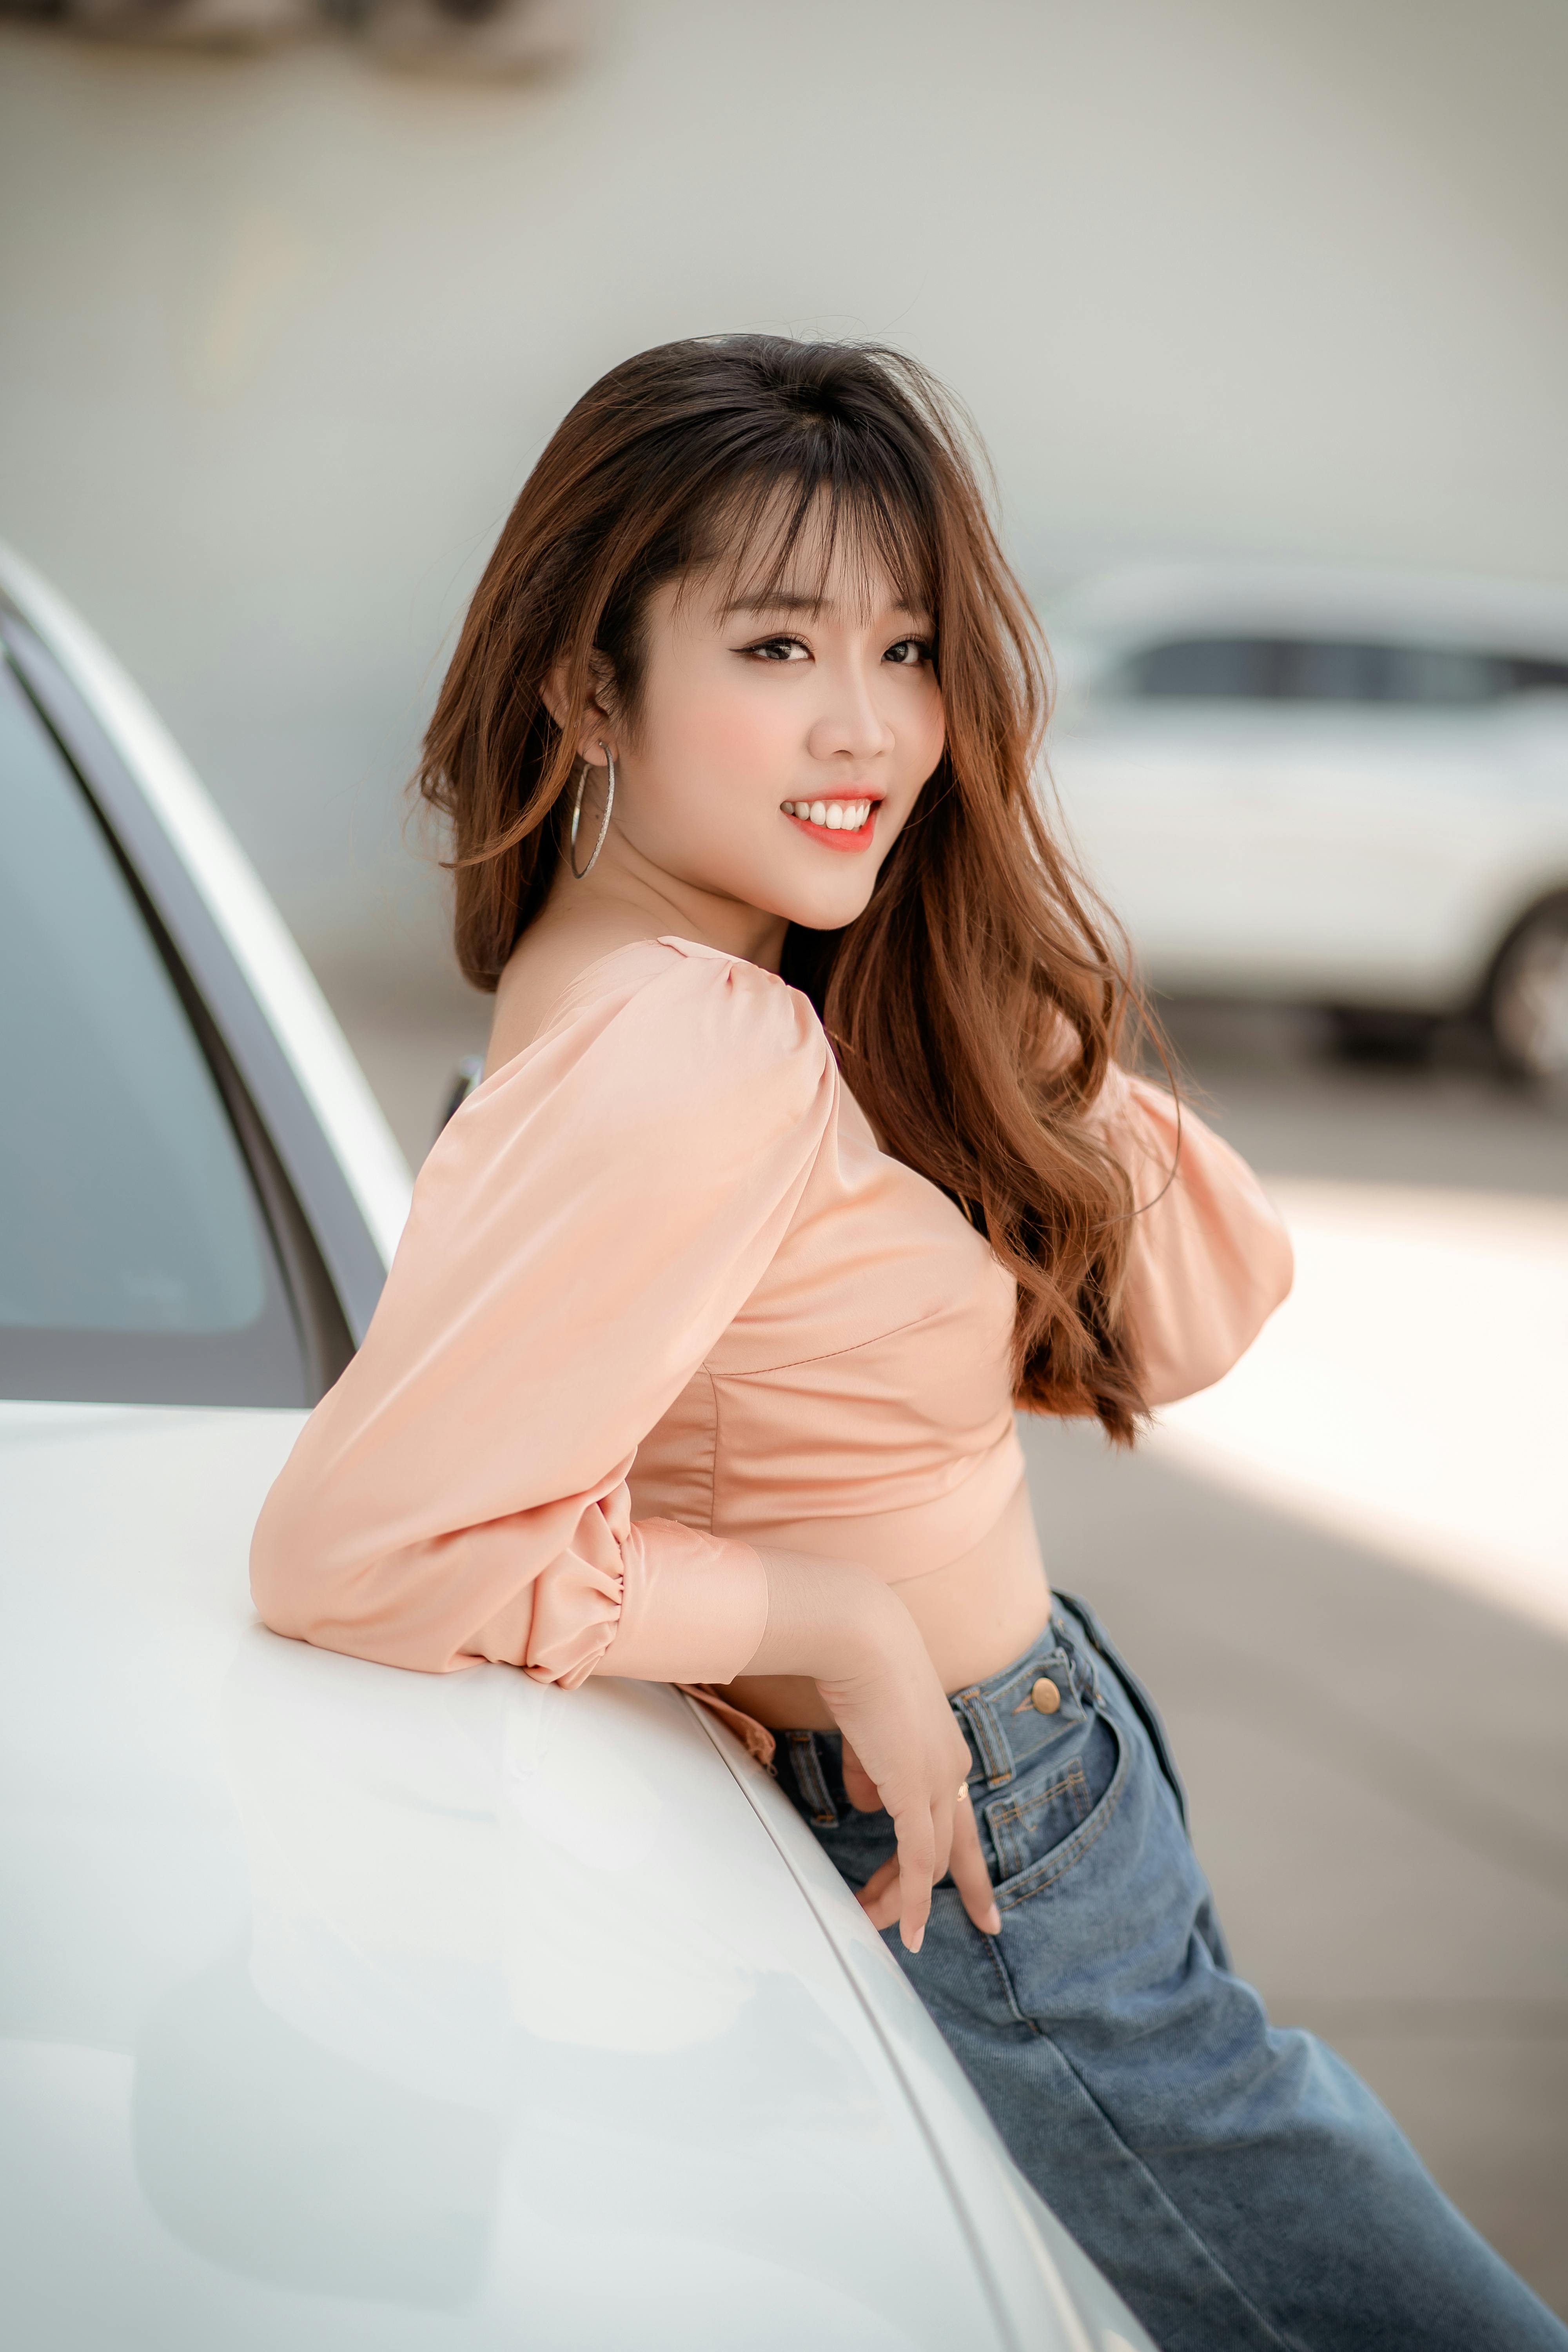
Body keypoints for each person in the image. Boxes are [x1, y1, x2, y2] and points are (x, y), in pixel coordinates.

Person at [250, 336, 1566, 2352]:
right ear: (587, 681)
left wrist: (947, 975)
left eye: (911, 650)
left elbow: (1198, 1289)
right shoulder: (697, 1043)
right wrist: (834, 1618)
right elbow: (368, 1550)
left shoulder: (676, 979)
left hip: (1008, 1772)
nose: (865, 725)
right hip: (954, 1822)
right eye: (775, 648)